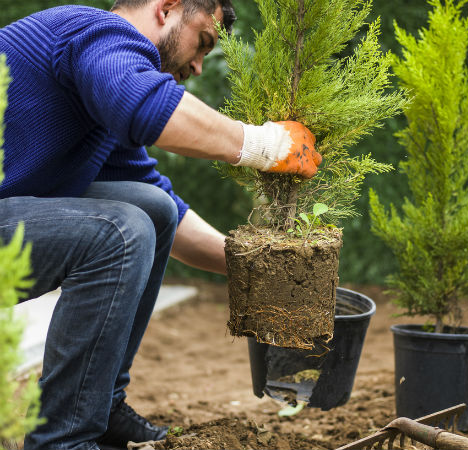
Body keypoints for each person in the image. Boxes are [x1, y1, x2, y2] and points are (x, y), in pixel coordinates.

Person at [0, 0, 322, 449]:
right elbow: (146, 108)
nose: (197, 65)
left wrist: (254, 268)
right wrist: (267, 144)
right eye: (202, 43)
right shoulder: (96, 31)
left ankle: (100, 407)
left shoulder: (99, 95)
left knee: (150, 207)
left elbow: (163, 204)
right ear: (167, 8)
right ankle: (63, 439)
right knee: (118, 230)